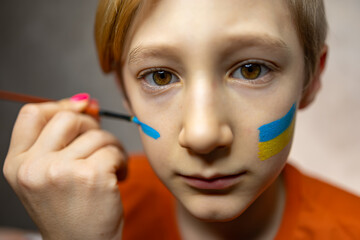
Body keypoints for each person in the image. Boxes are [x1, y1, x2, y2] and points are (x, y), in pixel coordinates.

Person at [3, 0, 360, 239]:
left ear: (310, 81)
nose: (203, 135)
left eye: (252, 70)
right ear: (125, 93)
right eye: (160, 76)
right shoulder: (81, 209)